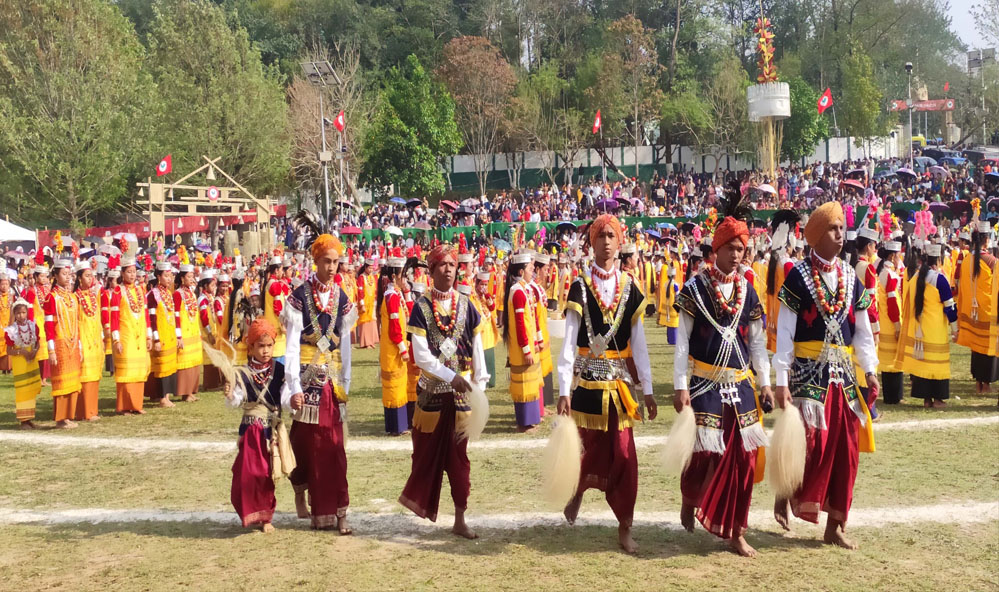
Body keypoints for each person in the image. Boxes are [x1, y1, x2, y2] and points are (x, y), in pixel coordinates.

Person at [772, 201, 878, 550]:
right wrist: (782, 380)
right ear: (816, 235)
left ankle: (836, 525)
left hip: (844, 379)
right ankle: (787, 489)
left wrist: (871, 369)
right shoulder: (797, 276)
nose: (840, 233)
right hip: (808, 377)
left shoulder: (851, 276)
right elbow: (786, 332)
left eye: (841, 227)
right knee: (810, 448)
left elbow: (861, 330)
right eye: (833, 228)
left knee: (846, 452)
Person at [673, 215, 772, 557]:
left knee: (744, 460)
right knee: (704, 454)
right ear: (716, 249)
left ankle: (736, 531)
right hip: (705, 384)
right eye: (730, 248)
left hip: (741, 386)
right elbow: (682, 341)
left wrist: (766, 382)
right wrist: (679, 384)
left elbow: (757, 343)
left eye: (742, 249)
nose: (736, 255)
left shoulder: (750, 291)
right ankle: (691, 498)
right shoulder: (694, 289)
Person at [557, 214, 655, 554]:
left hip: (620, 390)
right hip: (586, 388)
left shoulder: (631, 287)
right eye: (601, 236)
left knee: (626, 457)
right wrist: (562, 389)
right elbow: (569, 341)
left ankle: (625, 527)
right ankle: (576, 491)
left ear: (620, 240)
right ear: (591, 242)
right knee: (583, 452)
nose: (608, 242)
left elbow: (639, 344)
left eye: (613, 235)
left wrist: (649, 389)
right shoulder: (579, 286)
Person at [399, 244, 489, 539]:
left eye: (452, 265)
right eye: (442, 265)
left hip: (461, 397)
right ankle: (423, 503)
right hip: (431, 397)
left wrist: (482, 383)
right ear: (432, 270)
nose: (449, 269)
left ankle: (460, 518)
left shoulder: (466, 303)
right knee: (425, 455)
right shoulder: (421, 307)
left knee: (459, 460)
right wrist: (451, 376)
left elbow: (476, 346)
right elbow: (421, 355)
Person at [284, 234, 354, 533]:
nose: (331, 267)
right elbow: (290, 346)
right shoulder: (299, 296)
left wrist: (345, 386)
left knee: (334, 449)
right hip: (306, 377)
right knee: (304, 443)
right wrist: (293, 387)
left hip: (332, 381)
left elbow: (346, 347)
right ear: (315, 261)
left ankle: (339, 512)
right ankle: (301, 492)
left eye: (336, 262)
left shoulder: (343, 299)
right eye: (327, 261)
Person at [224, 318, 294, 532]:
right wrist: (229, 394)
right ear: (251, 346)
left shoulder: (280, 371)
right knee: (245, 475)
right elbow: (236, 401)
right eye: (261, 346)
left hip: (267, 433)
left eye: (269, 345)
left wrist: (293, 400)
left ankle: (266, 517)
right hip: (249, 432)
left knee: (266, 474)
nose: (265, 351)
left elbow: (284, 399)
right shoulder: (241, 373)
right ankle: (249, 511)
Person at [897, 242, 958, 408]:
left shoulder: (916, 277)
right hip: (935, 330)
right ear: (938, 260)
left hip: (919, 330)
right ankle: (938, 399)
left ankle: (926, 400)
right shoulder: (939, 279)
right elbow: (950, 306)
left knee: (923, 364)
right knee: (936, 364)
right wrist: (955, 329)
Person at [954, 223, 997, 395]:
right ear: (986, 240)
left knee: (976, 347)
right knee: (987, 348)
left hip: (970, 311)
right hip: (987, 310)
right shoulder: (990, 260)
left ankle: (979, 383)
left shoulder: (966, 260)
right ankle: (985, 384)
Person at [504, 251, 542, 432]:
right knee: (524, 384)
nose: (532, 270)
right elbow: (520, 324)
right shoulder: (517, 291)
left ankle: (531, 419)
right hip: (521, 347)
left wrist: (535, 341)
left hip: (527, 343)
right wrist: (526, 348)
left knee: (530, 380)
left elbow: (530, 320)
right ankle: (524, 422)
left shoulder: (524, 289)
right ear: (520, 272)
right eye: (529, 268)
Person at [110, 257, 152, 414]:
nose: (132, 275)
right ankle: (123, 406)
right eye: (129, 272)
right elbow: (113, 318)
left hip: (139, 336)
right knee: (126, 370)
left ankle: (136, 405)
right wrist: (116, 339)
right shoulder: (117, 291)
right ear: (122, 273)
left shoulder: (141, 290)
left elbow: (146, 315)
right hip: (125, 336)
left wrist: (149, 336)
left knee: (139, 370)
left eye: (134, 272)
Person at [45, 258, 82, 429]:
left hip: (73, 343)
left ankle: (68, 415)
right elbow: (49, 326)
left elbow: (77, 323)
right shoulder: (51, 298)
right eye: (64, 274)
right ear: (56, 275)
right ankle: (60, 418)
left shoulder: (73, 298)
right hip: (60, 344)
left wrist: (79, 346)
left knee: (72, 380)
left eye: (69, 274)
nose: (68, 278)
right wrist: (51, 350)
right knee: (61, 381)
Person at [378, 254, 410, 435]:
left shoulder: (393, 295)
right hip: (393, 348)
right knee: (395, 385)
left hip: (391, 347)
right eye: (401, 275)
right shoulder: (392, 297)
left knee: (393, 385)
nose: (404, 278)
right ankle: (397, 425)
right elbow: (395, 327)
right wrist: (402, 348)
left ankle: (393, 425)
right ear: (393, 277)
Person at [148, 261, 182, 408]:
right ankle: (161, 398)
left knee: (170, 366)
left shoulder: (169, 294)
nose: (169, 279)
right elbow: (152, 318)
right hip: (160, 336)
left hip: (170, 336)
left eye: (170, 276)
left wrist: (178, 336)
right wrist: (155, 338)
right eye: (166, 276)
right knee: (161, 367)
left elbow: (175, 316)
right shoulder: (153, 295)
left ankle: (167, 396)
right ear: (158, 277)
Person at [876, 241, 905, 404]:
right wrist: (897, 324)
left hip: (884, 320)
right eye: (898, 255)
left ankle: (890, 395)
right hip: (890, 320)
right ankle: (894, 396)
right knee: (893, 361)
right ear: (893, 256)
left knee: (887, 361)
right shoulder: (890, 275)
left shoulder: (883, 271)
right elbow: (893, 302)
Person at [75, 262, 103, 422]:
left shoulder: (93, 296)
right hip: (83, 339)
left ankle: (93, 410)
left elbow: (97, 317)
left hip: (94, 339)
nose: (90, 278)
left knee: (94, 375)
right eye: (86, 275)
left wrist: (101, 336)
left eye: (91, 275)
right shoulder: (76, 297)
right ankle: (84, 412)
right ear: (79, 278)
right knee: (85, 375)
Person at [7, 298, 40, 428]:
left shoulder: (33, 325)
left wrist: (35, 351)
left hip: (31, 361)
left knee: (31, 389)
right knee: (23, 390)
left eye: (23, 312)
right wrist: (22, 352)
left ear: (27, 312)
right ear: (14, 314)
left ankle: (29, 418)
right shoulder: (11, 330)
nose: (21, 316)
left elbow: (38, 342)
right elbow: (9, 350)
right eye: (18, 313)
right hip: (20, 363)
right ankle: (23, 420)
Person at [176, 263, 203, 402]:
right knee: (185, 361)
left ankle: (192, 391)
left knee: (194, 361)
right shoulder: (178, 294)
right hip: (184, 332)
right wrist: (178, 335)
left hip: (193, 330)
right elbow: (176, 315)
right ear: (182, 278)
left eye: (193, 276)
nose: (191, 279)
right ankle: (185, 393)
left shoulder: (191, 293)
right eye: (189, 276)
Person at [25, 261, 51, 386]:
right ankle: (38, 378)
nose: (44, 279)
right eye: (41, 276)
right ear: (35, 277)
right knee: (40, 349)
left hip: (47, 321)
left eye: (45, 276)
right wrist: (31, 323)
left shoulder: (48, 289)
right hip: (37, 321)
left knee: (47, 350)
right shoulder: (31, 291)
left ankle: (44, 379)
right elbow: (29, 309)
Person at [471, 271, 499, 388]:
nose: (483, 287)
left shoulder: (485, 296)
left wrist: (487, 294)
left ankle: (491, 380)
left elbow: (492, 307)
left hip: (489, 331)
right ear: (476, 285)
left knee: (489, 356)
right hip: (480, 332)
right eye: (481, 284)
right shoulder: (473, 297)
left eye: (485, 284)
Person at [263, 255, 289, 364]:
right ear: (277, 270)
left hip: (271, 326)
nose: (282, 272)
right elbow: (278, 308)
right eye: (282, 269)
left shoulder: (269, 283)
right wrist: (282, 325)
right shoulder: (275, 285)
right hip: (276, 328)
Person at [355, 259, 379, 348]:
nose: (371, 270)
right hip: (364, 303)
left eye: (372, 268)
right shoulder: (361, 277)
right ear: (365, 267)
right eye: (369, 268)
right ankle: (365, 343)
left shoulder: (374, 277)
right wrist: (362, 304)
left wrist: (375, 302)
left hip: (372, 303)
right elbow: (360, 291)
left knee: (372, 322)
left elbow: (376, 290)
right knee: (365, 323)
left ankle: (371, 342)